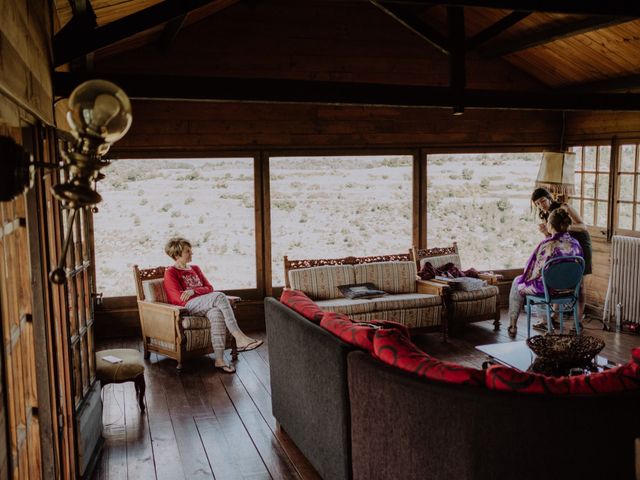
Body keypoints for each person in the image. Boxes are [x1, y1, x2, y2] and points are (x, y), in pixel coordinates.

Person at [163, 237, 263, 373]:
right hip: (187, 306)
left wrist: (194, 291)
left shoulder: (195, 268)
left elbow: (209, 287)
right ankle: (239, 336)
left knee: (216, 313)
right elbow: (178, 298)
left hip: (203, 302)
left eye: (191, 251)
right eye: (188, 251)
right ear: (176, 255)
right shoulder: (171, 272)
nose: (191, 253)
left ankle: (219, 360)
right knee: (220, 296)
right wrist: (200, 295)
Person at [507, 209, 583, 338]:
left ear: (550, 225)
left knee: (518, 281)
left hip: (550, 289)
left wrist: (526, 279)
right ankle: (547, 322)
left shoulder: (548, 244)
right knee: (544, 280)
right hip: (569, 289)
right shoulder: (576, 244)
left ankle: (513, 325)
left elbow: (533, 269)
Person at [530, 187, 592, 330]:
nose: (541, 205)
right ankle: (554, 318)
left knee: (580, 283)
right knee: (558, 279)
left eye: (543, 201)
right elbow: (553, 238)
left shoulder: (564, 207)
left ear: (550, 197)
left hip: (579, 243)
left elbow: (583, 226)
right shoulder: (546, 215)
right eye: (537, 204)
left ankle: (578, 322)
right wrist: (546, 231)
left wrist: (565, 227)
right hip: (563, 245)